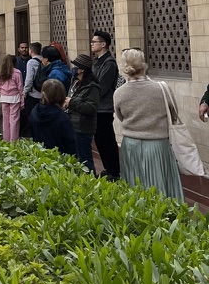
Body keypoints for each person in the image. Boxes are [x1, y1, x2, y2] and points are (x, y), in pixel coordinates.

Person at [114, 48, 184, 201]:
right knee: (161, 187)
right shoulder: (161, 89)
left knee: (134, 187)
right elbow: (173, 113)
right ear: (144, 64)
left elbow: (120, 116)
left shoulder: (119, 92)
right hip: (158, 145)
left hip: (130, 145)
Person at [91, 30, 121, 180]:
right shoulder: (97, 61)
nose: (92, 44)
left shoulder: (109, 63)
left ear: (103, 44)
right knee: (100, 140)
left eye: (94, 42)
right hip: (97, 107)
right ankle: (107, 169)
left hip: (104, 108)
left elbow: (101, 86)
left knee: (107, 140)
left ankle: (114, 172)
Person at [64, 54, 100, 174]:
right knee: (77, 159)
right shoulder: (75, 82)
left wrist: (72, 102)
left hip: (83, 127)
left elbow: (91, 108)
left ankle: (91, 182)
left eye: (76, 67)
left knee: (85, 159)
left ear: (82, 70)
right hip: (73, 125)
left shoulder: (92, 87)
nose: (73, 69)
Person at [27, 79, 76, 155]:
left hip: (39, 156)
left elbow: (32, 135)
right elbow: (71, 144)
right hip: (58, 160)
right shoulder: (63, 118)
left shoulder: (34, 111)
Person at [0, 55, 23, 142]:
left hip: (4, 97)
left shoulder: (2, 73)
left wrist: (3, 93)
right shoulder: (17, 72)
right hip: (14, 97)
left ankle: (6, 139)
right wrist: (22, 101)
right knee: (14, 120)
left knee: (5, 120)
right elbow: (20, 87)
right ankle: (14, 141)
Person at [22, 42, 43, 128]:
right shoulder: (43, 60)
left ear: (31, 50)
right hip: (43, 93)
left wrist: (24, 92)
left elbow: (29, 79)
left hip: (33, 94)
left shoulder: (31, 62)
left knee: (32, 118)